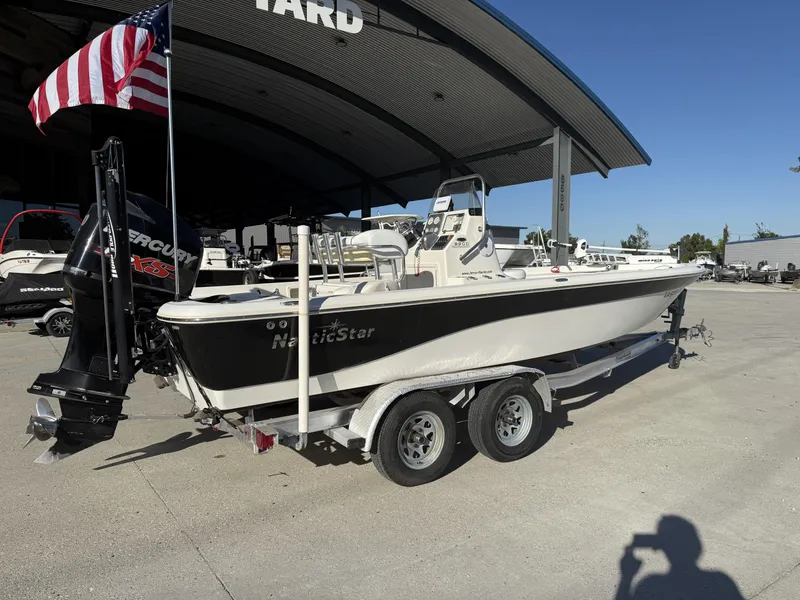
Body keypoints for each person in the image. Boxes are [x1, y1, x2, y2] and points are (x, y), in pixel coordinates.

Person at [615, 516, 744, 600]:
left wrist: (626, 578)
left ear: (661, 547)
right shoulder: (720, 583)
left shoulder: (652, 587)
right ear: (696, 546)